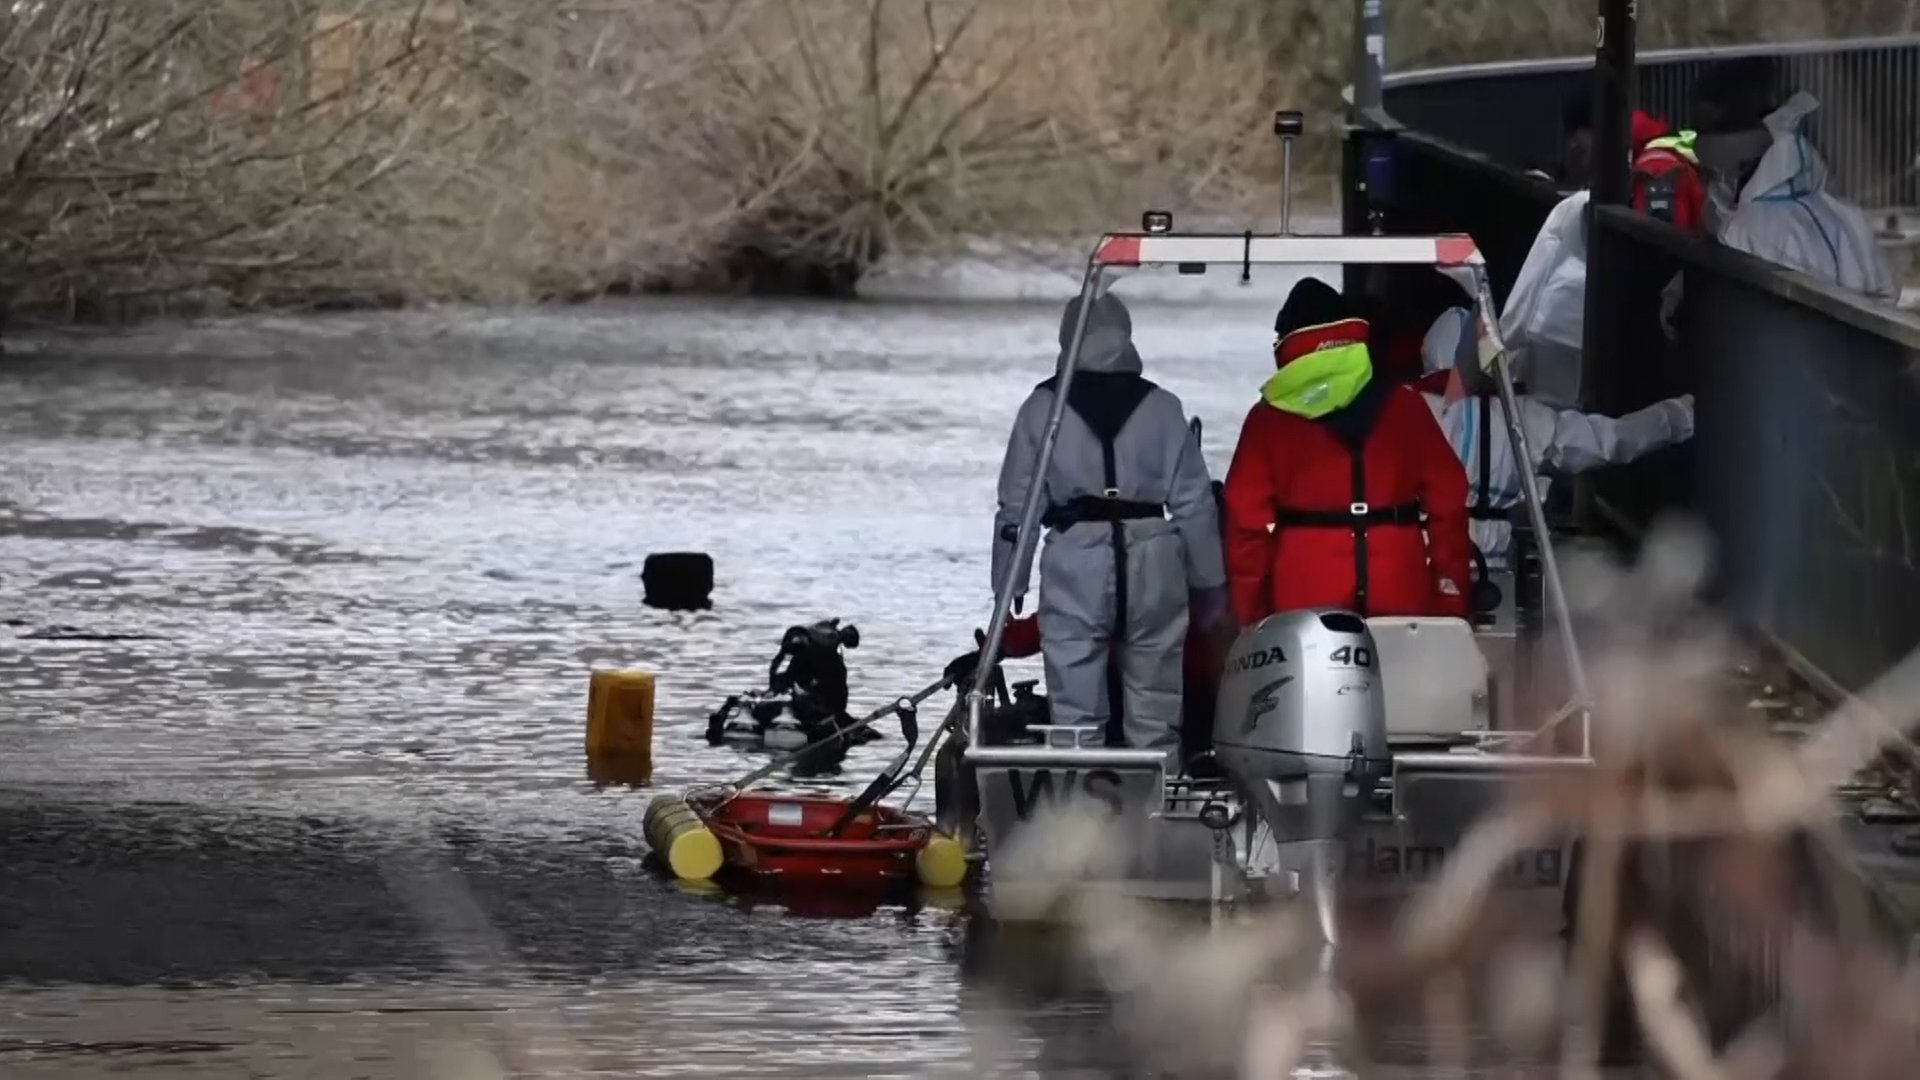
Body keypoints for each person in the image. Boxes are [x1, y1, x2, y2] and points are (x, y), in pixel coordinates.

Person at [991, 292, 1228, 764]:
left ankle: (1079, 816)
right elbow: (1194, 504)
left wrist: (1008, 587)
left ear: (1067, 338)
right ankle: (1160, 813)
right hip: (1153, 556)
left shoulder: (1042, 409)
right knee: (1156, 710)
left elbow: (1017, 510)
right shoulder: (1163, 407)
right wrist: (1210, 583)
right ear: (1127, 336)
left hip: (1076, 559)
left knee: (1075, 713)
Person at [1221, 278, 1472, 626]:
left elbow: (1244, 521)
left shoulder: (1267, 420)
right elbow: (1449, 499)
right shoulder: (1406, 406)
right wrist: (1450, 598)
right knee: (1402, 681)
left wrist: (1251, 615)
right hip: (1400, 591)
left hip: (1303, 598)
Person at [1419, 306, 1695, 567]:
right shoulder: (1517, 418)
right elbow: (1609, 441)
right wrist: (1681, 415)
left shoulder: (1410, 413)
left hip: (1422, 576)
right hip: (1490, 580)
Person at [1502, 108, 1706, 408]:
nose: (1572, 144)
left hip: (1661, 328)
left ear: (1606, 131)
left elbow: (1660, 251)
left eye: (1580, 131)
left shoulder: (1655, 168)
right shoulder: (1639, 167)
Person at [1695, 90, 1899, 301]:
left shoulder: (1743, 229)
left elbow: (1733, 306)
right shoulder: (1845, 215)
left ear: (1729, 172)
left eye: (1713, 173)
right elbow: (1888, 292)